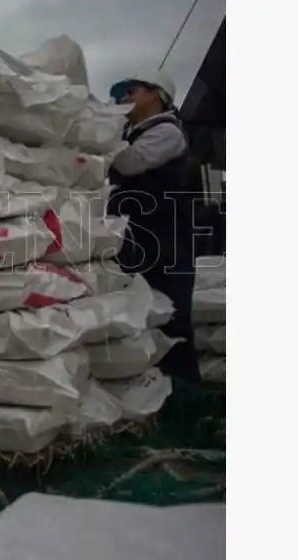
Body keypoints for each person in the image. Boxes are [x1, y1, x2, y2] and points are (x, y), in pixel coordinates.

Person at [106, 71, 200, 382]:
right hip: (138, 235)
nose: (124, 100)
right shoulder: (130, 132)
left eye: (131, 91)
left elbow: (131, 163)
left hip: (167, 237)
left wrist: (104, 133)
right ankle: (151, 387)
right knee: (139, 311)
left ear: (156, 95)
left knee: (170, 313)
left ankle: (184, 396)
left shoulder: (166, 132)